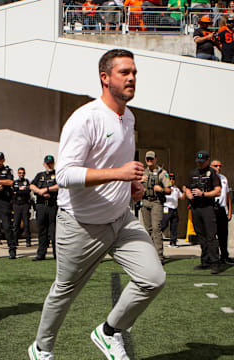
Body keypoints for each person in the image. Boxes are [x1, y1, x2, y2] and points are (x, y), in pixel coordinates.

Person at [28, 49, 166, 360]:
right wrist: (118, 173)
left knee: (153, 279)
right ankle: (41, 349)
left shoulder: (128, 116)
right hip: (81, 225)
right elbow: (64, 174)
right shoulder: (85, 118)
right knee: (64, 292)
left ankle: (108, 332)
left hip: (121, 219)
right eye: (124, 73)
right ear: (105, 78)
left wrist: (129, 184)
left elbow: (115, 161)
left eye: (134, 72)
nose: (131, 78)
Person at [185, 150, 221, 275]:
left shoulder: (212, 174)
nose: (199, 164)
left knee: (211, 236)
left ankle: (215, 263)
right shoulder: (193, 173)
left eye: (202, 162)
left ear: (207, 161)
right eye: (198, 162)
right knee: (201, 236)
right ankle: (205, 261)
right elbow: (187, 187)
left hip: (208, 207)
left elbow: (218, 191)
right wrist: (188, 193)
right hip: (195, 208)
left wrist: (203, 194)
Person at [141, 151, 171, 263]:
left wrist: (162, 189)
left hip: (156, 202)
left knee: (156, 228)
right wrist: (139, 184)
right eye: (147, 159)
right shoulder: (142, 173)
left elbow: (169, 190)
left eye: (151, 159)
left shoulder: (162, 173)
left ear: (156, 159)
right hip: (145, 201)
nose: (149, 161)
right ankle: (148, 255)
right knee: (147, 230)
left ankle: (159, 256)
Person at [30, 156, 58, 261]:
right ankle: (41, 253)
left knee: (54, 231)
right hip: (41, 205)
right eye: (47, 163)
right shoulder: (40, 175)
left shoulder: (57, 174)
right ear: (44, 164)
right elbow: (31, 186)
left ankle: (57, 254)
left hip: (52, 205)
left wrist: (47, 189)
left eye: (51, 163)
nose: (49, 165)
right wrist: (39, 191)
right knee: (42, 230)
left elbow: (60, 185)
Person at [210, 159, 234, 265]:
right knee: (212, 235)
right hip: (211, 208)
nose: (218, 168)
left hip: (222, 209)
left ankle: (224, 256)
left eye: (220, 166)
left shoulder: (224, 178)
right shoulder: (208, 178)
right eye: (216, 166)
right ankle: (213, 257)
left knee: (223, 234)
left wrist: (229, 211)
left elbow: (228, 196)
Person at [161, 172, 185, 248]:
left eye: (173, 179)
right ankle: (155, 237)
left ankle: (173, 242)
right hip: (167, 208)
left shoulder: (176, 189)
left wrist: (184, 191)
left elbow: (181, 197)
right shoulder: (165, 188)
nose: (171, 181)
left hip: (174, 209)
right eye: (170, 179)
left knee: (174, 226)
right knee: (164, 224)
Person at [13, 167, 32, 247]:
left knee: (26, 224)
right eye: (20, 173)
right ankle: (15, 241)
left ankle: (28, 241)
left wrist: (19, 190)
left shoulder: (26, 181)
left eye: (23, 173)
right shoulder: (15, 182)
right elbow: (13, 191)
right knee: (16, 224)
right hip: (17, 204)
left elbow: (28, 191)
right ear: (18, 173)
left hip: (25, 204)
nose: (21, 174)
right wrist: (19, 190)